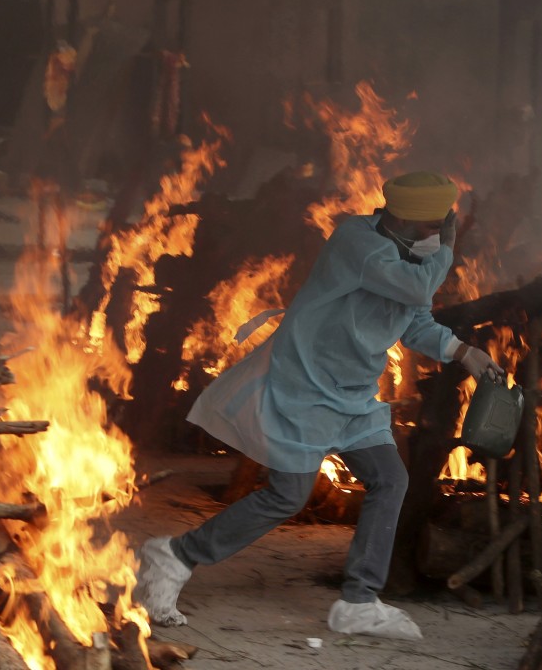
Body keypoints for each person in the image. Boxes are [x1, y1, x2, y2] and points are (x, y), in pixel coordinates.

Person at [134, 172, 505, 641]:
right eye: (432, 226)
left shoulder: (411, 258)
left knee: (390, 479)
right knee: (287, 496)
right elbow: (413, 290)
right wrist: (449, 246)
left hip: (352, 396)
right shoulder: (357, 240)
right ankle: (174, 556)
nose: (436, 236)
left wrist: (463, 352)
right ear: (400, 219)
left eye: (442, 226)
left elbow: (412, 320)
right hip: (303, 388)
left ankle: (359, 601)